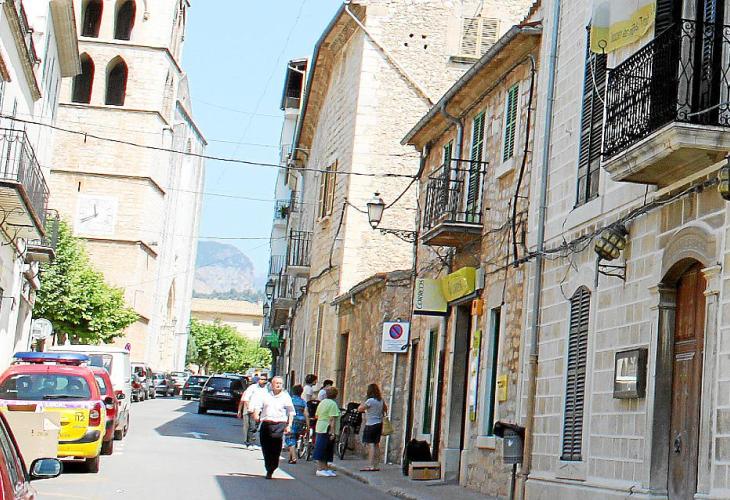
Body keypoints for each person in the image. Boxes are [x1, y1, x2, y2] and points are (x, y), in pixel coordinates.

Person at [253, 376, 294, 480]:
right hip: (266, 423)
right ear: (272, 385)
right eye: (276, 383)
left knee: (276, 447)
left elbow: (291, 412)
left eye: (280, 383)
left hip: (279, 424)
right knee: (266, 447)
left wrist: (289, 425)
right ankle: (268, 467)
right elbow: (258, 406)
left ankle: (272, 467)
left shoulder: (286, 397)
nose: (278, 385)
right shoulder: (266, 396)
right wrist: (256, 415)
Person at [358, 383, 387, 472]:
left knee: (371, 445)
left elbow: (360, 409)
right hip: (379, 423)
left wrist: (362, 404)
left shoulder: (370, 401)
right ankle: (376, 464)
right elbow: (385, 409)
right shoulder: (381, 400)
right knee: (376, 444)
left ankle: (371, 465)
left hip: (371, 424)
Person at [313, 385, 340, 477]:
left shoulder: (322, 402)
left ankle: (324, 468)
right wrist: (332, 432)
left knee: (324, 448)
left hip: (320, 426)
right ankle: (320, 469)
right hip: (326, 428)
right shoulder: (333, 404)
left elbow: (317, 415)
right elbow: (332, 419)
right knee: (324, 449)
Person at [237, 373, 269, 448]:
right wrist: (249, 408)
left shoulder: (267, 389)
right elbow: (245, 399)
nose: (263, 381)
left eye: (265, 379)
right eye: (261, 379)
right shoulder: (253, 387)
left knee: (256, 427)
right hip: (253, 409)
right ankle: (249, 443)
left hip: (261, 410)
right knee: (252, 426)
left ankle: (252, 442)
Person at [285, 384, 309, 464]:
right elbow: (306, 414)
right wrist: (308, 425)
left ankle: (294, 458)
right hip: (301, 421)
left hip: (291, 420)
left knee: (290, 438)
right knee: (295, 438)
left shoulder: (290, 400)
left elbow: (286, 411)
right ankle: (290, 457)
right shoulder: (303, 402)